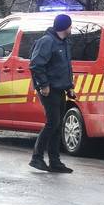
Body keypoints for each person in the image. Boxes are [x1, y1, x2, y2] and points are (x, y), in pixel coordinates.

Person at [28, 14, 76, 173]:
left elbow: (65, 67)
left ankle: (55, 162)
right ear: (65, 27)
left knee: (57, 125)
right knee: (52, 123)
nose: (71, 28)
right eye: (70, 25)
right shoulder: (47, 42)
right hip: (49, 89)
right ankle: (37, 157)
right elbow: (36, 65)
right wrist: (43, 85)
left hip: (60, 88)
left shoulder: (64, 43)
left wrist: (69, 87)